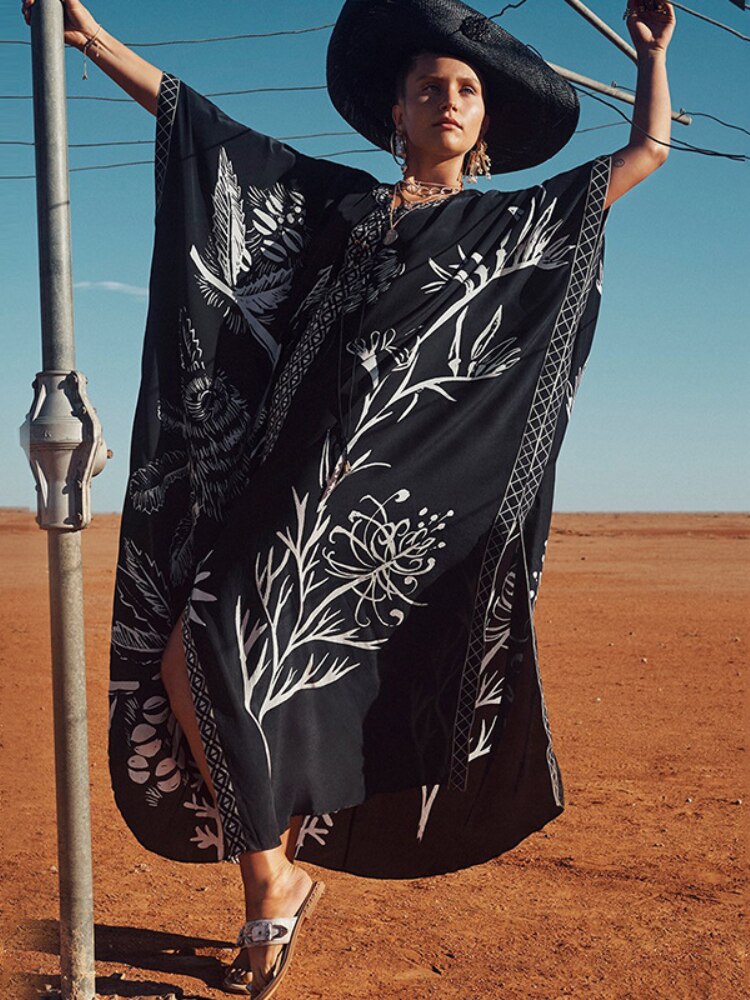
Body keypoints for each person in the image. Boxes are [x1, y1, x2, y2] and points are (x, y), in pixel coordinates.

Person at [23, 0, 675, 996]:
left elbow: (648, 158)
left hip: (374, 511)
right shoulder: (340, 207)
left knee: (217, 661)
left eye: (465, 90)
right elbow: (214, 138)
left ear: (484, 124)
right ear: (397, 117)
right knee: (190, 661)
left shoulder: (511, 222)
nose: (446, 98)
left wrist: (652, 54)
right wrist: (93, 39)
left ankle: (268, 890)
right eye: (428, 87)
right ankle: (274, 875)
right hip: (279, 479)